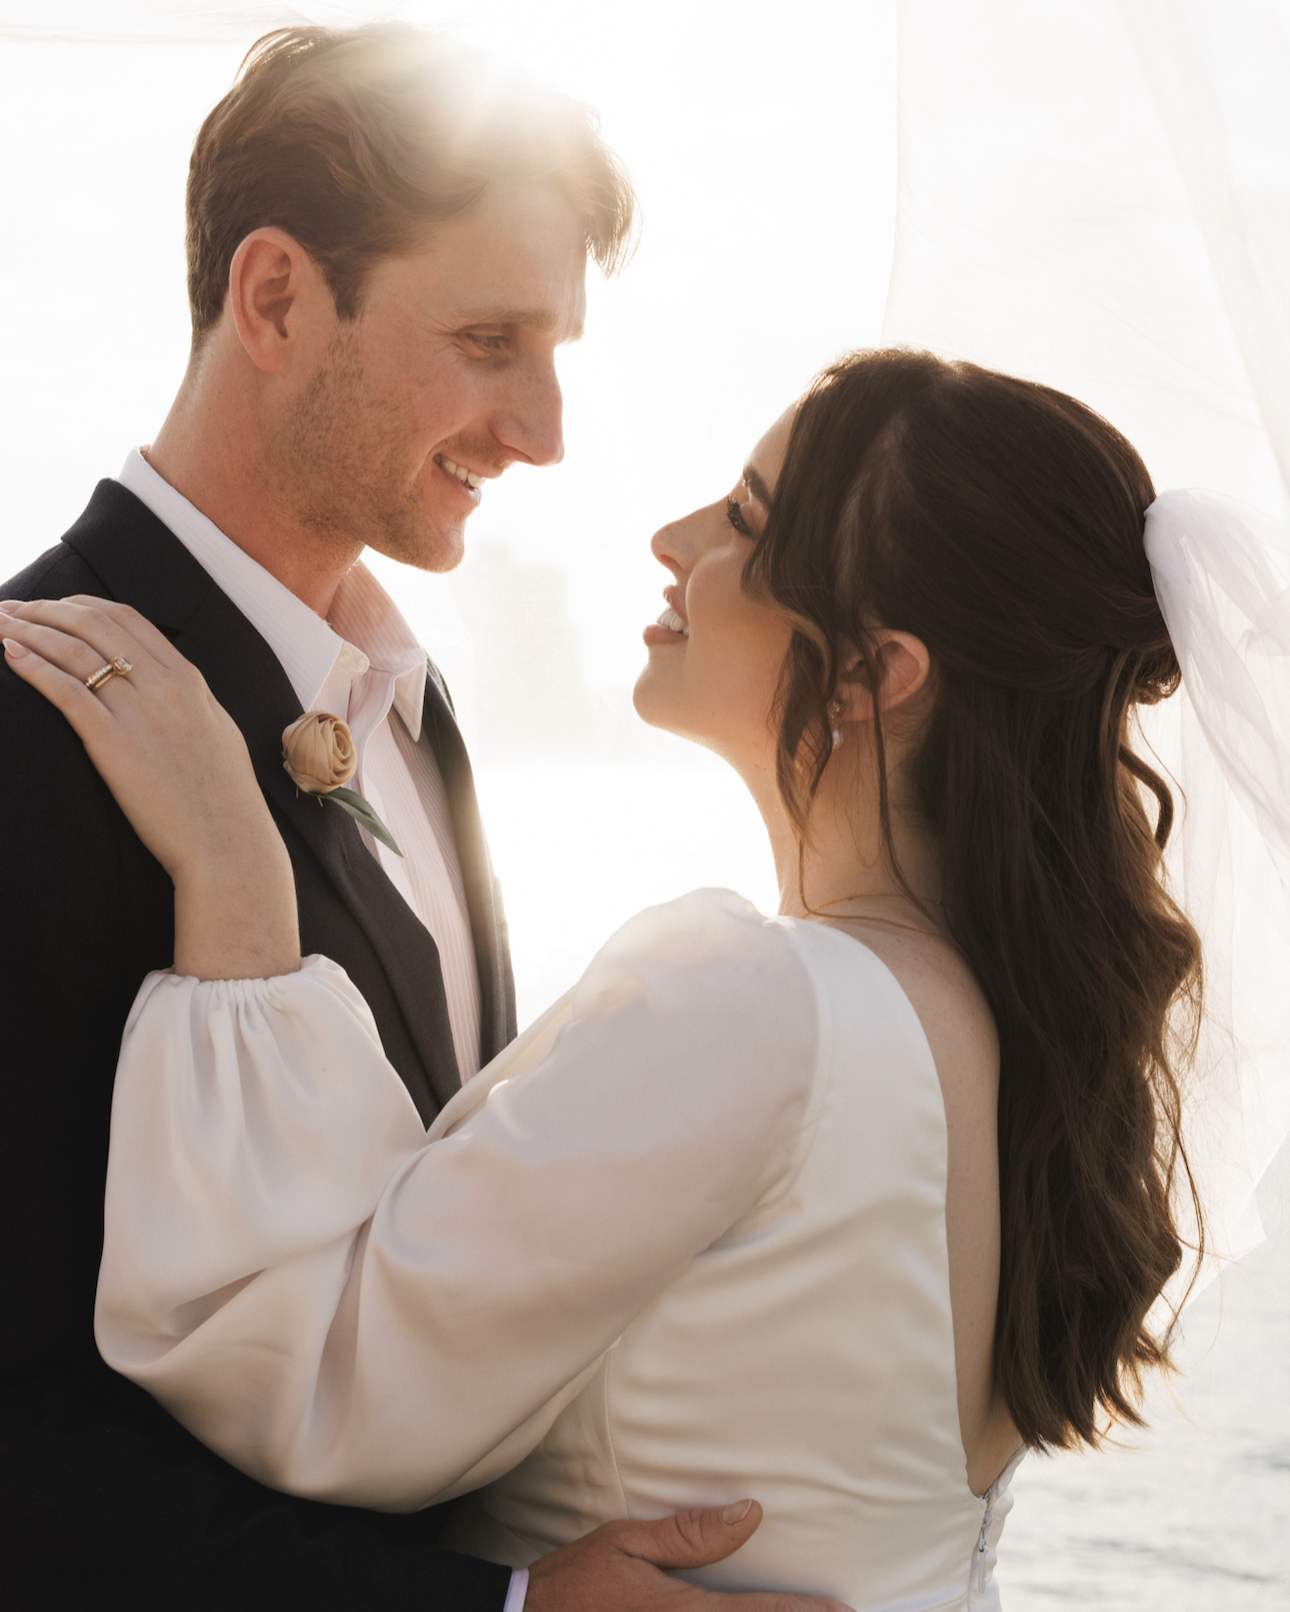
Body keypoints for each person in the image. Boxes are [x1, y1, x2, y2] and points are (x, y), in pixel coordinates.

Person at [12, 348, 1287, 1607]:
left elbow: (314, 1387)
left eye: (745, 517)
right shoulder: (1022, 1022)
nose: (673, 537)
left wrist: (237, 883)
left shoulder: (761, 1004)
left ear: (872, 672)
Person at [0, 22, 844, 1612]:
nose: (543, 430)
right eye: (486, 340)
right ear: (273, 300)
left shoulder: (415, 709)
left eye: (557, 353)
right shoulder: (26, 726)